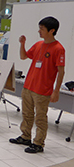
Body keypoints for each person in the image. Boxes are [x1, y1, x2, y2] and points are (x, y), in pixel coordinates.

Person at [9, 16, 65, 154]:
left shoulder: (58, 49)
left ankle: (38, 143)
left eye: (42, 29)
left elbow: (61, 71)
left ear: (52, 31)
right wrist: (22, 44)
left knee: (40, 118)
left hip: (42, 90)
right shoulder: (38, 45)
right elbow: (23, 56)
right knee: (27, 114)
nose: (39, 31)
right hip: (29, 86)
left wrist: (56, 91)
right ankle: (25, 136)